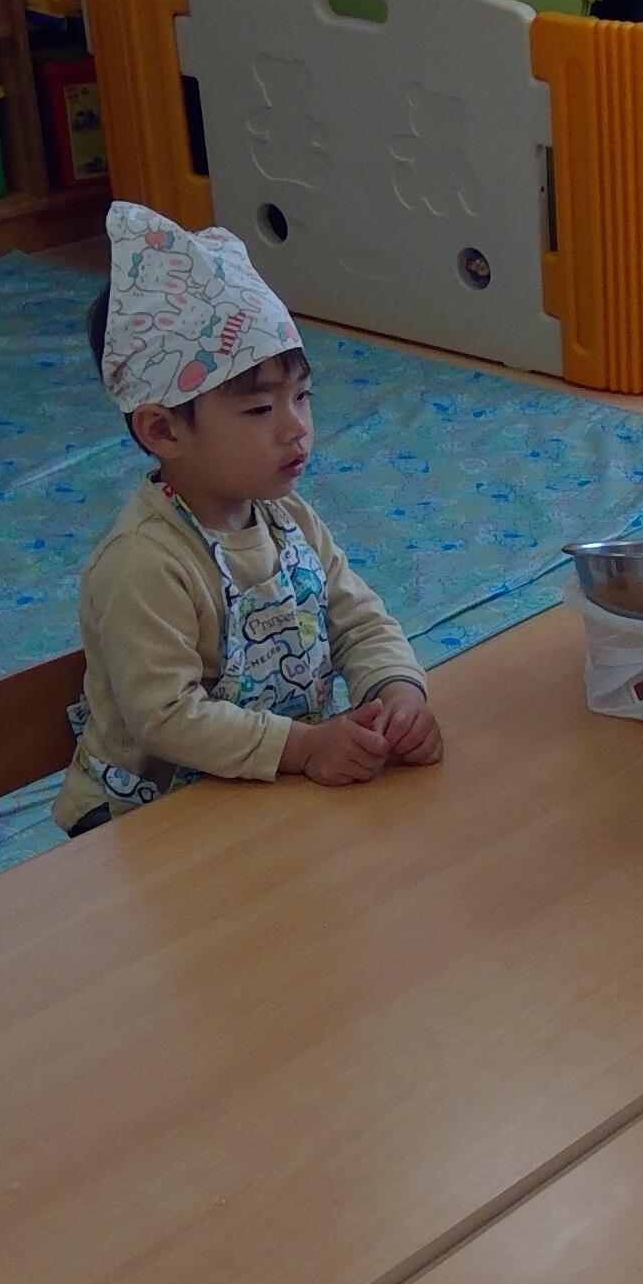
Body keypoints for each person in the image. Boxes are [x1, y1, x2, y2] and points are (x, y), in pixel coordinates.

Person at [57, 202, 440, 834]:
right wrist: (305, 748)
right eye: (260, 410)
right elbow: (168, 716)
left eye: (302, 396)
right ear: (162, 429)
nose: (296, 428)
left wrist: (395, 694)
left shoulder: (289, 519)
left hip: (264, 795)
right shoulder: (142, 562)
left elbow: (359, 622)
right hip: (148, 823)